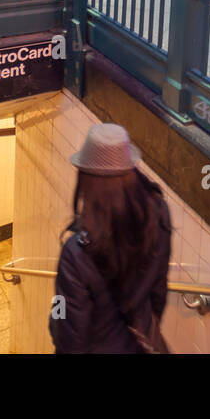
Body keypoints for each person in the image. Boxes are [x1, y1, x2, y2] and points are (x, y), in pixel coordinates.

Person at [50, 123, 172, 354]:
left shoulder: (76, 253)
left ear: (87, 180)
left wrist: (54, 318)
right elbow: (158, 292)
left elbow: (68, 333)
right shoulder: (158, 214)